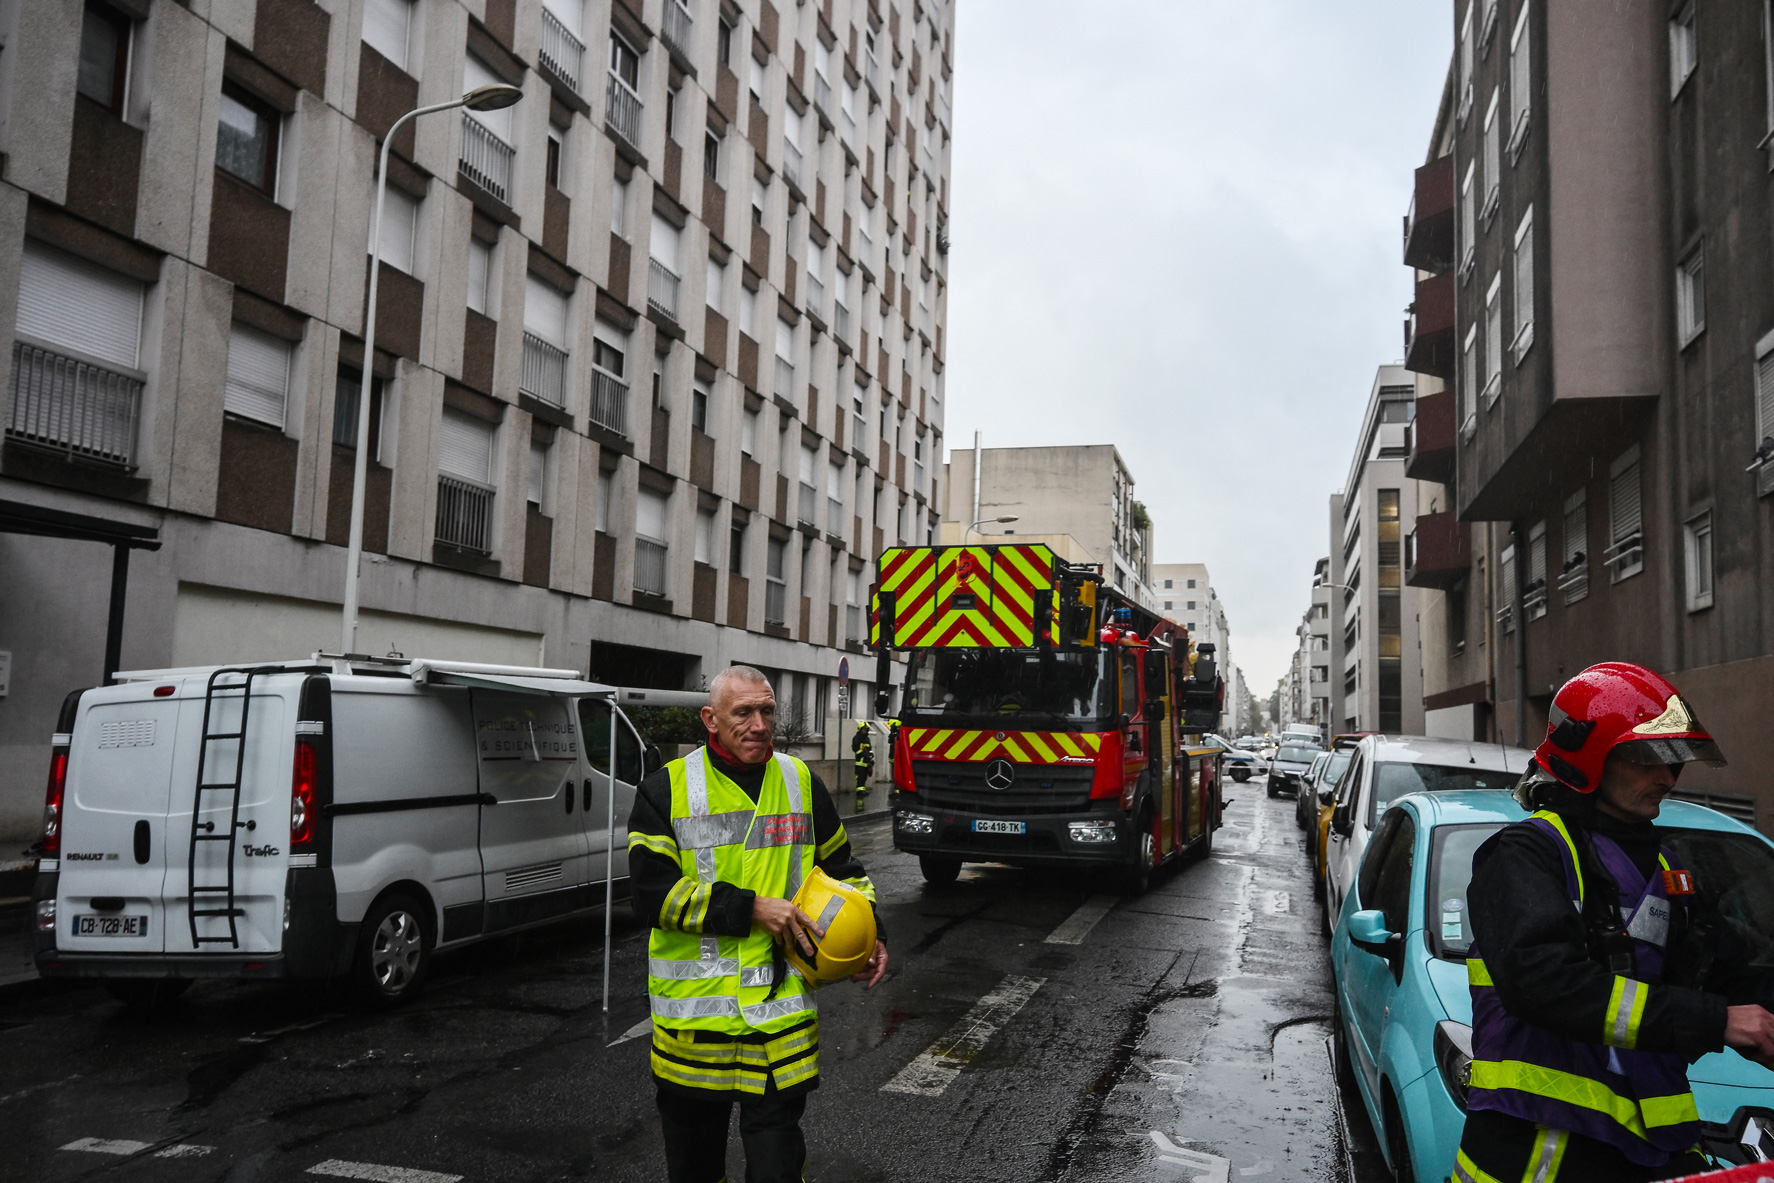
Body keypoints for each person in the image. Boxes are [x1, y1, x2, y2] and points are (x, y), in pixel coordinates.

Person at [1457, 662, 1774, 1183]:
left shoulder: (1666, 868)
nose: (1667, 777)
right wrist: (1717, 1020)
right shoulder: (1525, 856)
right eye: (1646, 756)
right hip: (1542, 1150)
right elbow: (1545, 983)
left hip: (1651, 1146)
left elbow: (1723, 975)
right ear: (1587, 758)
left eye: (1674, 761)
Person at [627, 666, 889, 1183]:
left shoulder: (800, 782)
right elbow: (652, 897)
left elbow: (844, 874)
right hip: (695, 1033)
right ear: (711, 719)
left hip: (779, 1029)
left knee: (777, 1170)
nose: (758, 724)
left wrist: (870, 934)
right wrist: (749, 909)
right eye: (743, 712)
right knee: (695, 1171)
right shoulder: (665, 790)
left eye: (766, 710)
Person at [851, 721, 874, 814]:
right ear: (860, 730)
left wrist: (871, 756)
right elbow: (855, 749)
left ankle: (863, 790)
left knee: (864, 777)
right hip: (860, 762)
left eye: (866, 729)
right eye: (864, 729)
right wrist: (863, 754)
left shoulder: (867, 739)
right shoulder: (857, 738)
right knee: (860, 777)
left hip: (866, 762)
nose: (865, 731)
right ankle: (859, 792)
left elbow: (870, 749)